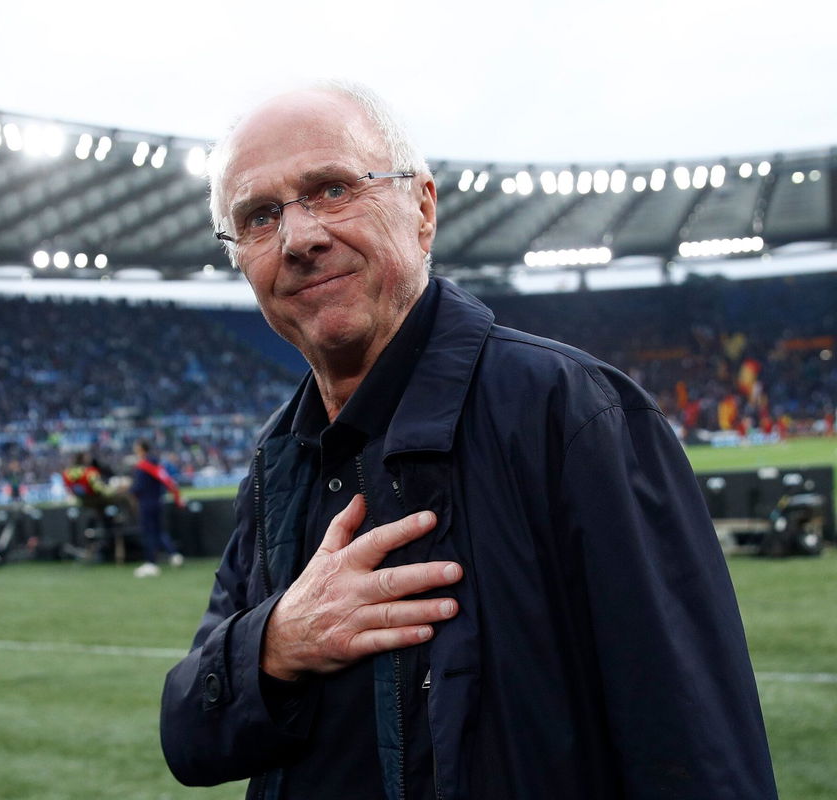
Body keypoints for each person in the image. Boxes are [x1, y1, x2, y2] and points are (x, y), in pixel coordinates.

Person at [160, 82, 777, 799]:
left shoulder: (570, 414)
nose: (300, 238)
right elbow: (191, 737)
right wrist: (275, 643)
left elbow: (696, 754)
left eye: (331, 190)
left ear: (422, 209)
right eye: (260, 216)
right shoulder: (280, 458)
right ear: (239, 255)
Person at [130, 440, 185, 577]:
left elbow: (138, 488)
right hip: (158, 502)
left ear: (142, 449)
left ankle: (151, 562)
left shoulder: (143, 467)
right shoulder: (157, 465)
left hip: (146, 504)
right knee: (159, 531)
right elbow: (167, 482)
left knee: (149, 532)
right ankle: (174, 555)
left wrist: (129, 488)